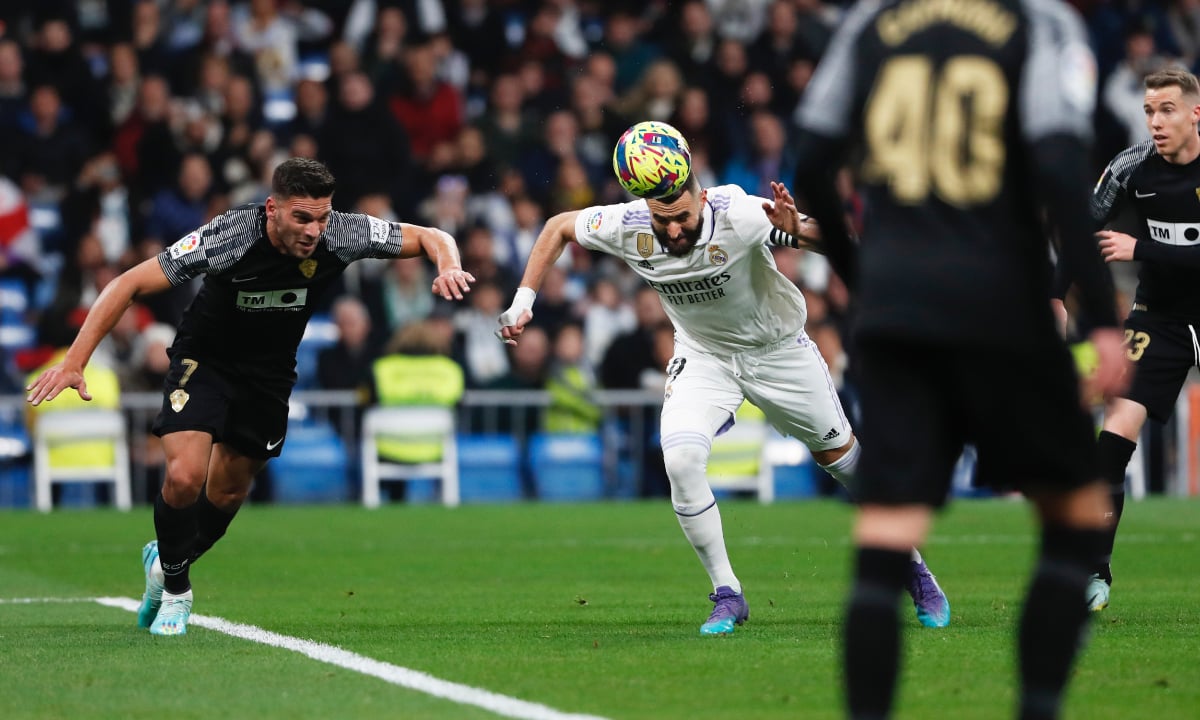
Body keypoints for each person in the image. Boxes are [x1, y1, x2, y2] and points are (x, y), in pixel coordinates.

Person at [789, 1, 1130, 718]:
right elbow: (1063, 168)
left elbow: (813, 156)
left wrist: (859, 265)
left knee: (886, 527)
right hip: (999, 300)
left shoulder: (871, 21)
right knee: (1074, 511)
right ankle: (1038, 706)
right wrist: (1100, 317)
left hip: (895, 306)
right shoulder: (1038, 22)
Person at [496, 159, 950, 636]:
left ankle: (912, 569)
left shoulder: (738, 212)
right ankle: (728, 594)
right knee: (681, 460)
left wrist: (803, 232)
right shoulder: (626, 224)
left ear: (701, 196)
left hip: (777, 350)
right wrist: (523, 300)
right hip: (704, 356)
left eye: (682, 218)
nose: (672, 230)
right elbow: (558, 226)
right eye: (661, 219)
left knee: (843, 458)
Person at [25, 157, 474, 637]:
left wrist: (447, 264)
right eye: (302, 218)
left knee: (229, 491)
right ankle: (177, 589)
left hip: (269, 375)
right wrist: (75, 362)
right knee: (184, 476)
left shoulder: (343, 233)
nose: (314, 230)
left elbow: (431, 235)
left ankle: (167, 560)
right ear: (272, 210)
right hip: (206, 359)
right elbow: (128, 283)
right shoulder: (229, 236)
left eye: (321, 217)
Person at [1085, 67, 1200, 612]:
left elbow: (1142, 248)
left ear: (1195, 113)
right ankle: (1094, 571)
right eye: (1150, 111)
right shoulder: (1131, 168)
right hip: (1160, 318)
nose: (1156, 122)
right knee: (1114, 433)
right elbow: (1084, 226)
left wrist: (1144, 249)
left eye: (1168, 110)